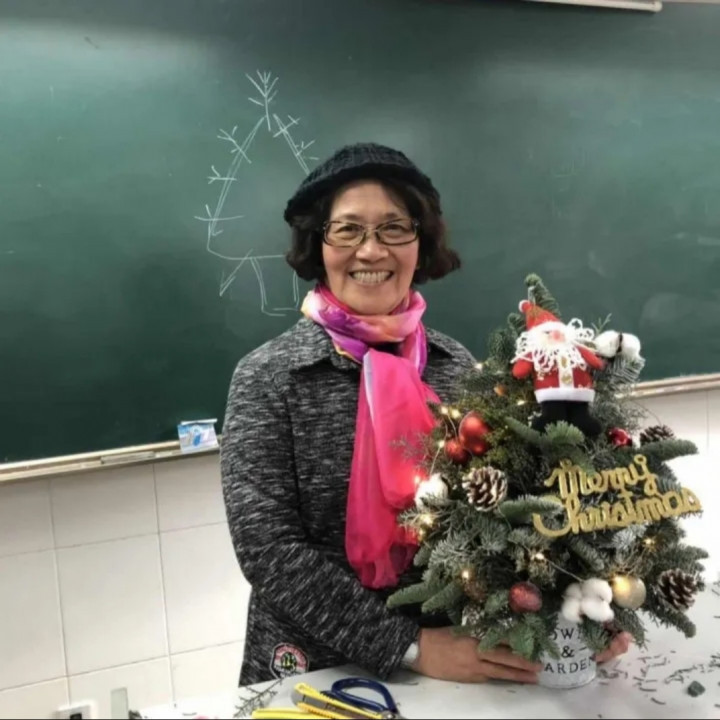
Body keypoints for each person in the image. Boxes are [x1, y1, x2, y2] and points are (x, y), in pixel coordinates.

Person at [220, 142, 631, 688]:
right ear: (318, 244)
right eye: (347, 230)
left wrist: (579, 612)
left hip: (454, 665)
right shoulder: (271, 377)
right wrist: (408, 646)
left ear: (421, 243)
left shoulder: (453, 365)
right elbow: (269, 551)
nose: (371, 250)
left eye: (394, 228)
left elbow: (505, 520)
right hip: (314, 673)